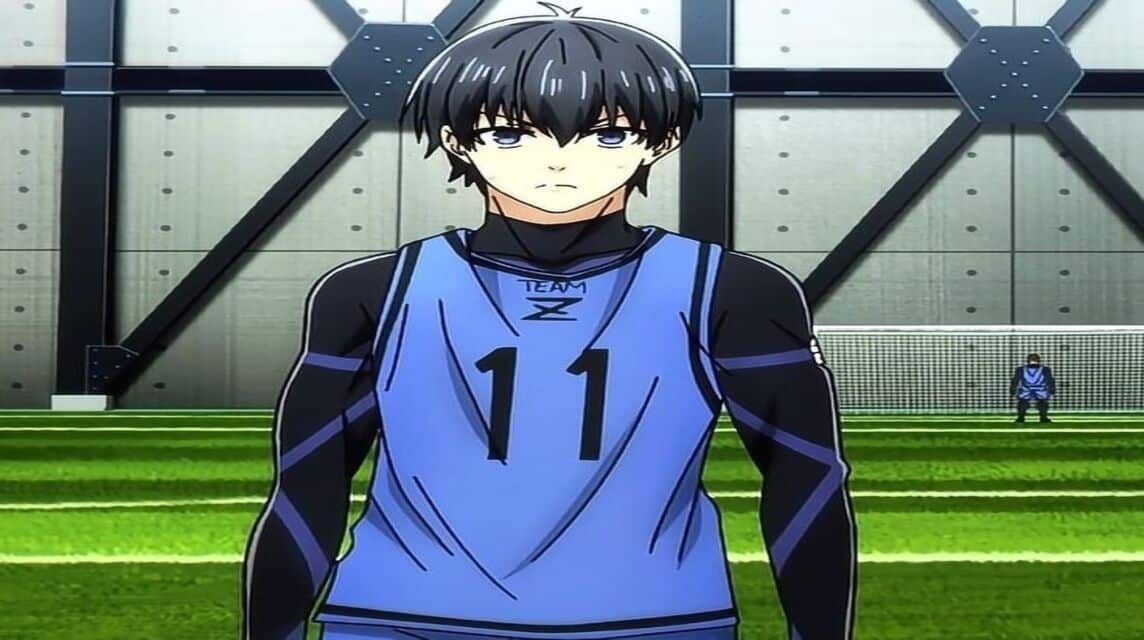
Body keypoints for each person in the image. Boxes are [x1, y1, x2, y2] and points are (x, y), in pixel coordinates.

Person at [242, 4, 857, 639]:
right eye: (511, 135)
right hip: (402, 619)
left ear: (662, 140)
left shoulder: (735, 290)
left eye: (607, 135)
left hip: (654, 623)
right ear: (457, 139)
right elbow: (306, 486)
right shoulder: (369, 293)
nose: (558, 161)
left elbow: (806, 477)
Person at [1010, 353, 1056, 423]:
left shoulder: (1021, 369)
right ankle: (1043, 418)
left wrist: (1012, 389)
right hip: (1040, 389)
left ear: (1027, 360)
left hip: (1026, 389)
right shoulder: (1045, 369)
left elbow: (1015, 380)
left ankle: (1020, 418)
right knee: (1042, 403)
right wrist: (1052, 389)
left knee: (1022, 402)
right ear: (1039, 360)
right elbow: (1049, 380)